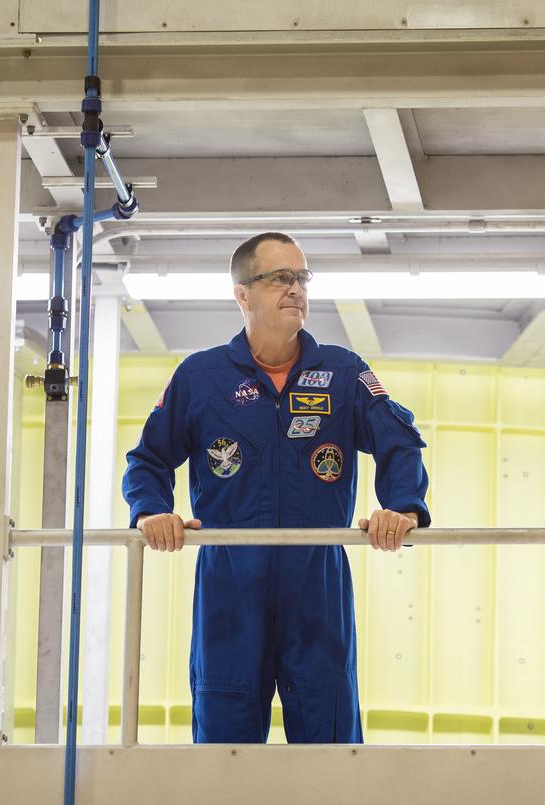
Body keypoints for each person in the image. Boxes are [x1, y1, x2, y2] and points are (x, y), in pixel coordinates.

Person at [121, 232, 431, 744]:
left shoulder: (343, 372)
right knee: (225, 742)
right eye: (280, 278)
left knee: (329, 738)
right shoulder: (201, 377)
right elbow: (148, 459)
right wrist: (151, 511)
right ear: (242, 294)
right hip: (229, 581)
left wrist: (402, 507)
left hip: (317, 579)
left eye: (302, 278)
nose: (296, 289)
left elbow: (400, 442)